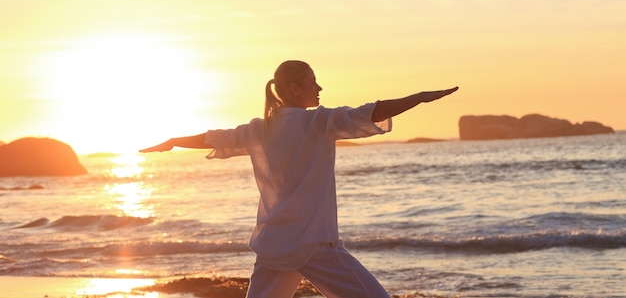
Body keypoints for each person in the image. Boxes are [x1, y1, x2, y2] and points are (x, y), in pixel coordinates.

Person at [141, 60, 458, 298]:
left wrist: (173, 140)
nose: (319, 88)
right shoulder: (320, 122)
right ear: (295, 88)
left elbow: (212, 138)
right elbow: (370, 112)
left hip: (275, 247)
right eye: (313, 82)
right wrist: (418, 97)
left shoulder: (257, 130)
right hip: (315, 246)